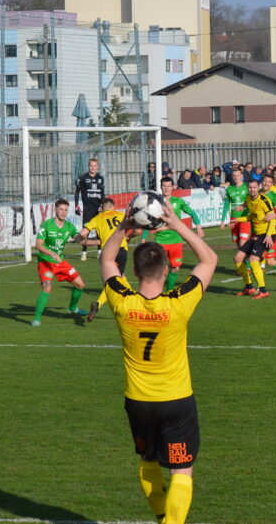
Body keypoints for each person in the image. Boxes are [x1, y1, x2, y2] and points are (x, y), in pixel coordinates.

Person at [97, 198, 216, 524]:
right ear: (166, 269)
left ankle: (163, 517)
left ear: (134, 271)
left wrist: (123, 225)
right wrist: (177, 224)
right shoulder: (179, 304)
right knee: (182, 470)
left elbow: (107, 259)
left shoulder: (120, 301)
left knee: (148, 463)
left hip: (138, 401)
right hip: (176, 400)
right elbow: (209, 260)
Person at [142, 177, 204, 292]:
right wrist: (144, 237)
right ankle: (158, 292)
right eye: (164, 186)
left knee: (175, 268)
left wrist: (198, 225)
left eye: (169, 186)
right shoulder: (156, 203)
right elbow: (149, 220)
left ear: (173, 187)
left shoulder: (178, 201)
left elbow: (191, 212)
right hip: (161, 240)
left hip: (176, 240)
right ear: (161, 187)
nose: (166, 188)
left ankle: (168, 291)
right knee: (162, 269)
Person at [32, 199, 88, 325]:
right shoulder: (46, 225)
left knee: (81, 285)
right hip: (46, 263)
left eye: (66, 210)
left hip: (60, 262)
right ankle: (36, 319)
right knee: (47, 287)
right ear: (55, 210)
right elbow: (38, 245)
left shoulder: (69, 226)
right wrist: (51, 253)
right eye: (61, 209)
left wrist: (98, 242)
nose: (63, 212)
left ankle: (72, 308)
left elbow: (80, 240)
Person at [78, 198, 131, 321]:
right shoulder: (120, 214)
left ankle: (134, 301)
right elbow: (136, 229)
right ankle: (98, 304)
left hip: (107, 253)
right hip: (121, 250)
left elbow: (82, 233)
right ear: (113, 207)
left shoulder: (97, 218)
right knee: (115, 282)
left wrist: (89, 241)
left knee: (119, 278)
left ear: (102, 208)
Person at [233, 178, 276, 298]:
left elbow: (272, 218)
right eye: (250, 187)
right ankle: (249, 287)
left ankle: (263, 290)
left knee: (253, 260)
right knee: (237, 258)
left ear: (259, 187)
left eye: (254, 187)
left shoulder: (264, 200)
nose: (252, 190)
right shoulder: (248, 198)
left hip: (268, 234)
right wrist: (237, 219)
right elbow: (251, 216)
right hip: (257, 234)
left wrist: (268, 236)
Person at [74, 158, 106, 261]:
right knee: (85, 231)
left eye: (95, 166)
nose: (93, 168)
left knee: (99, 231)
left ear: (97, 167)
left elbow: (102, 193)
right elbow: (77, 192)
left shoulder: (100, 178)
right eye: (91, 166)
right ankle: (84, 253)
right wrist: (76, 205)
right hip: (88, 209)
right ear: (89, 166)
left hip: (98, 209)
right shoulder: (83, 177)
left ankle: (99, 252)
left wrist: (103, 205)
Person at [219, 168, 251, 254]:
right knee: (238, 244)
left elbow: (252, 200)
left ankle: (248, 263)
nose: (236, 177)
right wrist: (222, 221)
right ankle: (244, 264)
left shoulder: (247, 187)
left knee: (243, 243)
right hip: (233, 219)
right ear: (232, 177)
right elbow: (226, 205)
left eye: (238, 175)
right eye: (234, 176)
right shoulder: (229, 189)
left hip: (245, 217)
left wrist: (243, 207)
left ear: (241, 176)